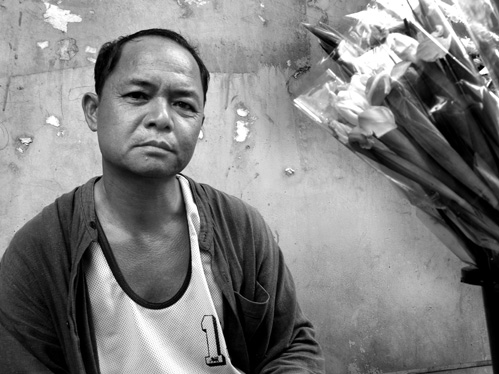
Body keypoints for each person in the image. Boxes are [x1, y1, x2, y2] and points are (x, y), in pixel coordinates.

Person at [0, 28, 325, 373]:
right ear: (93, 111)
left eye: (184, 105)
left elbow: (291, 346)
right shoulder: (42, 251)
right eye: (138, 95)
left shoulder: (239, 227)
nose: (162, 118)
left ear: (200, 124)